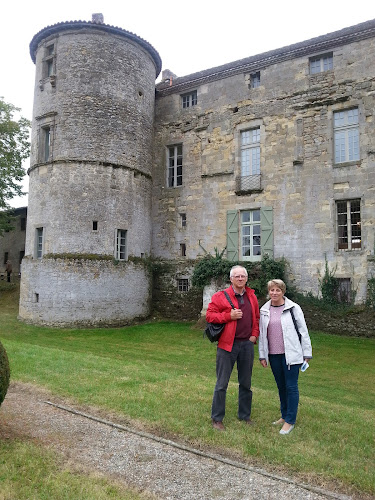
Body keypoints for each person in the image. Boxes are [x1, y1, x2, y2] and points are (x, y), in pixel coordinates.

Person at [206, 265, 260, 431]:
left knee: (246, 383)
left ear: (246, 279)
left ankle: (244, 415)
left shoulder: (252, 296)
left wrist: (254, 335)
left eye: (243, 276)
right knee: (222, 384)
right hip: (227, 345)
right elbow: (209, 315)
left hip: (246, 345)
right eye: (237, 276)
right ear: (231, 279)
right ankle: (217, 419)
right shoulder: (220, 296)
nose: (240, 279)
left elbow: (256, 318)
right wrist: (228, 316)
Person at [258, 279, 312, 435]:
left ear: (283, 291)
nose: (274, 293)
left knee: (291, 386)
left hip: (292, 354)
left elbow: (303, 331)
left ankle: (290, 421)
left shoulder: (293, 308)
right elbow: (263, 335)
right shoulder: (264, 310)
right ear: (268, 292)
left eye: (278, 290)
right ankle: (284, 415)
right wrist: (263, 355)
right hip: (274, 355)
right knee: (281, 386)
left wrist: (306, 353)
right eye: (272, 290)